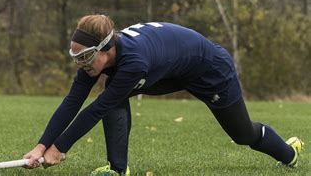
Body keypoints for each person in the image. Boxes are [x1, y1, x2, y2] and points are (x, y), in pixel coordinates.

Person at [23, 14, 303, 175]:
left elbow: (97, 108)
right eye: (75, 57)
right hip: (171, 70)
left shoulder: (133, 62)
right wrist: (41, 145)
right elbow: (72, 102)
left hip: (210, 69)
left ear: (106, 49)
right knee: (114, 94)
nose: (80, 65)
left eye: (84, 57)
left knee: (243, 135)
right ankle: (118, 169)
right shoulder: (97, 60)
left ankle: (289, 152)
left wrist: (59, 149)